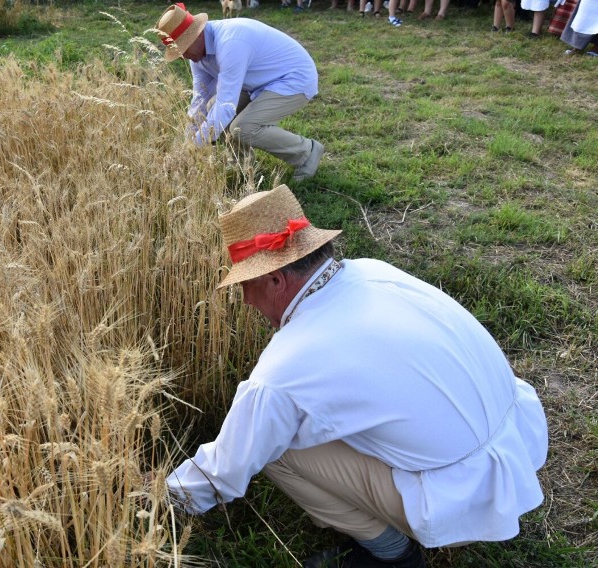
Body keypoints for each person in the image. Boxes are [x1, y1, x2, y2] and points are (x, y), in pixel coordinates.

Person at [165, 184, 548, 567]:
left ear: (276, 281)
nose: (246, 300)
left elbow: (227, 467)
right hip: (516, 444)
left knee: (276, 449)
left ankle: (392, 554)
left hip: (462, 496)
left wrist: (163, 498)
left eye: (246, 286)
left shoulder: (285, 367)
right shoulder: (373, 271)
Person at [155, 3, 325, 182]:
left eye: (183, 49)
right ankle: (242, 163)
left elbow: (226, 105)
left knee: (243, 128)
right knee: (212, 106)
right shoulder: (196, 56)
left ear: (195, 36)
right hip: (260, 82)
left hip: (294, 79)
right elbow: (200, 98)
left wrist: (195, 146)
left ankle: (307, 152)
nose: (182, 56)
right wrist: (189, 137)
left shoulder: (231, 44)